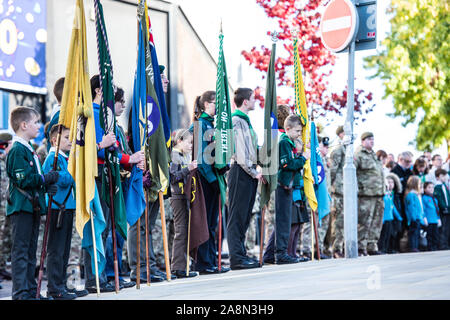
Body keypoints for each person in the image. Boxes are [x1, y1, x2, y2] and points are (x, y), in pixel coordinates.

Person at [83, 75, 144, 293]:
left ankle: (102, 276)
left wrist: (129, 159)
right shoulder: (90, 114)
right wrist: (103, 145)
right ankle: (94, 278)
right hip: (95, 175)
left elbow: (115, 152)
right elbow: (87, 149)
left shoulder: (105, 116)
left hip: (108, 174)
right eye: (110, 88)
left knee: (107, 227)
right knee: (96, 227)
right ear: (99, 90)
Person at [6, 106, 60, 300]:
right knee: (21, 251)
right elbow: (23, 179)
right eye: (35, 122)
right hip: (22, 207)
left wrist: (46, 187)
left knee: (30, 251)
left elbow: (33, 179)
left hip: (32, 206)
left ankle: (30, 290)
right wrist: (44, 180)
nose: (38, 126)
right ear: (23, 125)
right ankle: (21, 292)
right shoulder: (17, 150)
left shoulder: (28, 149)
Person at [190, 91, 230, 274]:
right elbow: (201, 158)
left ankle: (212, 260)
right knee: (205, 222)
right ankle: (203, 263)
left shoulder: (211, 125)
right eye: (215, 103)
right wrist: (213, 180)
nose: (218, 108)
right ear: (206, 104)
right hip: (204, 180)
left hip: (213, 177)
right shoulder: (200, 125)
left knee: (212, 222)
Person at [103, 87, 137, 290]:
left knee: (118, 229)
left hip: (122, 180)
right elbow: (112, 154)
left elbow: (123, 151)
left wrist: (135, 160)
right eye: (120, 101)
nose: (123, 105)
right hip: (111, 181)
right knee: (110, 230)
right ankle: (109, 272)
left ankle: (115, 271)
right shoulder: (108, 126)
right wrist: (129, 159)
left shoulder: (117, 126)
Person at [227, 88, 263, 270]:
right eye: (253, 98)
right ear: (246, 101)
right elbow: (241, 152)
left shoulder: (246, 122)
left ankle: (241, 253)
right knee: (237, 216)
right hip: (241, 172)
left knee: (245, 216)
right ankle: (236, 258)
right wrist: (253, 171)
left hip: (248, 173)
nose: (255, 101)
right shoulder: (237, 121)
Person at [42, 125, 77, 300]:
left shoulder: (65, 158)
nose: (70, 140)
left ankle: (61, 285)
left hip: (67, 207)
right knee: (55, 251)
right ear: (54, 141)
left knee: (64, 250)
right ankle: (54, 288)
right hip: (57, 209)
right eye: (66, 137)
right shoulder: (53, 158)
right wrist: (73, 172)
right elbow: (60, 177)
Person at [271, 114, 310, 264]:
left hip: (289, 186)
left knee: (287, 221)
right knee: (283, 221)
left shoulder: (290, 143)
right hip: (283, 185)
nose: (299, 134)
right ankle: (280, 254)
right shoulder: (284, 143)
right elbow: (287, 165)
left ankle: (284, 252)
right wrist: (303, 158)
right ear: (287, 129)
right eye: (297, 131)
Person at [169, 129, 199, 278]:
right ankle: (178, 267)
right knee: (181, 231)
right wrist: (189, 169)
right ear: (180, 141)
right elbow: (173, 176)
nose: (191, 146)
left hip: (183, 196)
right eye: (189, 142)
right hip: (177, 196)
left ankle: (183, 265)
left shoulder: (181, 156)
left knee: (184, 230)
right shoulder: (175, 155)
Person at [354, 132, 385, 256]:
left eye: (373, 139)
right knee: (364, 221)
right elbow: (353, 173)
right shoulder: (358, 155)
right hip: (366, 194)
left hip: (378, 193)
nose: (372, 141)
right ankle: (361, 247)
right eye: (369, 139)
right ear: (363, 141)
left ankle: (372, 246)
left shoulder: (374, 155)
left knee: (376, 222)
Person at [329, 125, 346, 258]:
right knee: (338, 221)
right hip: (339, 190)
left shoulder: (348, 150)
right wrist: (333, 187)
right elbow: (332, 171)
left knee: (346, 220)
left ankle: (344, 246)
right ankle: (336, 248)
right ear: (340, 134)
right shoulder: (338, 150)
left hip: (348, 191)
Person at [0, 132, 13, 283]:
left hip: (5, 205)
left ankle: (2, 265)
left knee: (5, 237)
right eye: (9, 144)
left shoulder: (5, 160)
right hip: (1, 206)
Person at [378, 175, 403, 254]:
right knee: (383, 235)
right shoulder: (384, 196)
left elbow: (393, 207)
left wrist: (399, 217)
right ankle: (382, 249)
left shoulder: (389, 195)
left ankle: (387, 249)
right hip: (384, 218)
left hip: (390, 218)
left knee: (389, 234)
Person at [404, 176, 427, 252]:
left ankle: (416, 246)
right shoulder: (411, 195)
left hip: (418, 218)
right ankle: (413, 247)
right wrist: (413, 218)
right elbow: (411, 207)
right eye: (419, 184)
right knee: (413, 233)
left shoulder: (417, 194)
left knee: (417, 233)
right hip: (414, 218)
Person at [385, 173, 403, 253]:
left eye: (392, 182)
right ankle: (388, 248)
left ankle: (394, 248)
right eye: (388, 182)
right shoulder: (386, 194)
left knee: (396, 233)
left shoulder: (396, 195)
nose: (390, 184)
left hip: (397, 217)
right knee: (389, 233)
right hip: (389, 216)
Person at [433, 168, 449, 250]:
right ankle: (442, 244)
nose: (444, 177)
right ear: (437, 177)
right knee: (443, 228)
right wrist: (444, 207)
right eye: (442, 176)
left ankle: (446, 243)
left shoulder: (445, 186)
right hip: (442, 210)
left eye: (445, 176)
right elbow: (439, 198)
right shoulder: (437, 187)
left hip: (448, 209)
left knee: (447, 228)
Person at [422, 181, 441, 251]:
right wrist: (424, 218)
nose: (431, 189)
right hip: (429, 220)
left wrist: (438, 218)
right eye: (429, 187)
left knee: (435, 235)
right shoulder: (424, 198)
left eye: (432, 187)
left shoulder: (435, 199)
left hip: (435, 220)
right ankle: (430, 247)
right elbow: (423, 209)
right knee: (429, 235)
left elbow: (437, 209)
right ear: (424, 189)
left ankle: (435, 247)